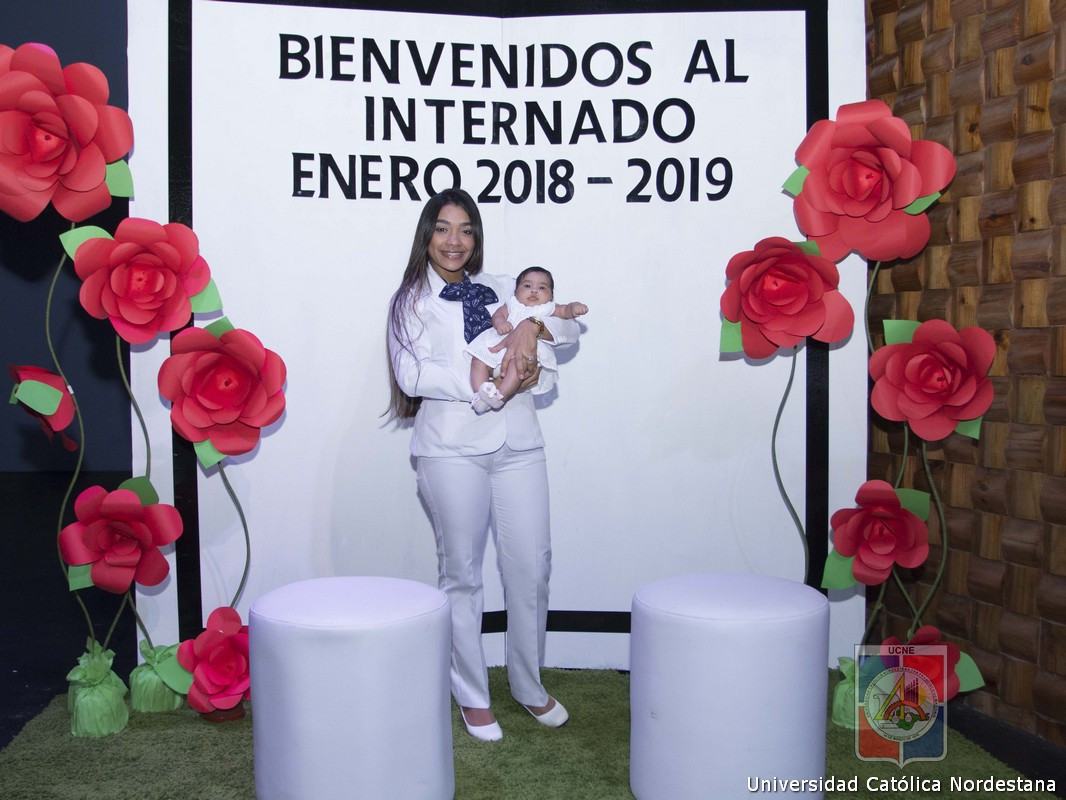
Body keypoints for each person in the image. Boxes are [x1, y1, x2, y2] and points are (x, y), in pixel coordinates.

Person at [386, 188, 579, 742]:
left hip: (518, 444)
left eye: (466, 229)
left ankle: (527, 683)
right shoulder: (408, 302)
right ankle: (472, 693)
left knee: (532, 568)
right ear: (427, 235)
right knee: (462, 575)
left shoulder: (502, 289)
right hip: (449, 448)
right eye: (443, 228)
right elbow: (412, 377)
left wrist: (533, 327)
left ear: (477, 238)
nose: (455, 240)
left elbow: (561, 333)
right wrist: (485, 385)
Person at [466, 266, 588, 414]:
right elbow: (498, 315)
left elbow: (566, 313)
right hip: (498, 343)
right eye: (528, 286)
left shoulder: (548, 308)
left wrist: (574, 308)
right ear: (516, 291)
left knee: (517, 367)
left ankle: (500, 396)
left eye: (542, 287)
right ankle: (481, 393)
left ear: (551, 295)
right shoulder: (512, 304)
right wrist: (501, 323)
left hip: (525, 351)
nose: (534, 290)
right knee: (479, 359)